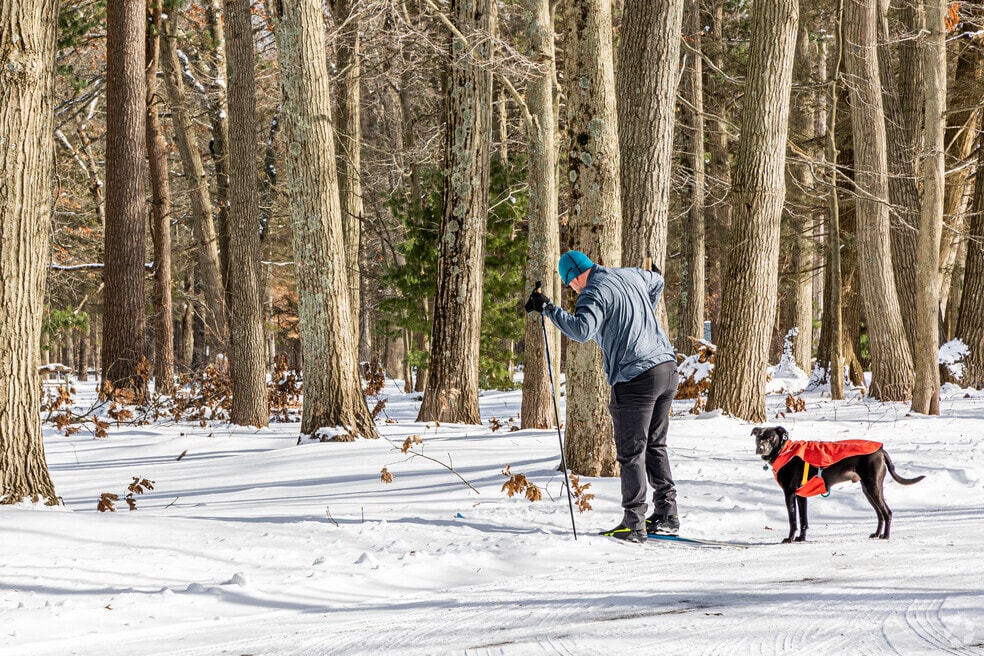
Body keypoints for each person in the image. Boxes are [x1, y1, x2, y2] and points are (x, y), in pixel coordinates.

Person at [524, 250, 679, 543]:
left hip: (635, 377)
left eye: (570, 283)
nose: (573, 289)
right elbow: (657, 281)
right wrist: (638, 318)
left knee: (632, 452)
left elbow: (582, 330)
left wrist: (549, 309)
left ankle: (634, 524)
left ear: (575, 275)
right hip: (667, 369)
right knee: (655, 445)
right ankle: (667, 514)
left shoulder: (593, 291)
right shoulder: (629, 274)